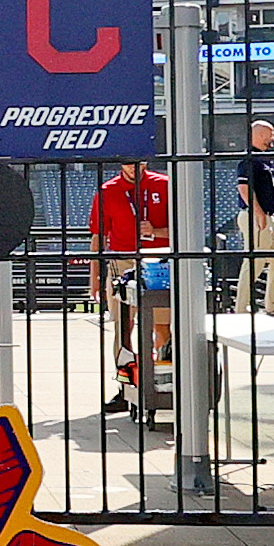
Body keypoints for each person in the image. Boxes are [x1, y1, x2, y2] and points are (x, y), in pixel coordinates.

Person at [89, 153, 173, 415]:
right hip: (122, 262)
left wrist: (155, 232)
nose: (133, 168)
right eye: (128, 163)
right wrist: (94, 278)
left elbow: (186, 228)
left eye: (138, 163)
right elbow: (98, 237)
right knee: (123, 328)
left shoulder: (165, 184)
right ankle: (127, 387)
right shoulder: (108, 191)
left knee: (162, 327)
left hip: (159, 262)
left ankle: (164, 381)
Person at [240, 118, 274, 317]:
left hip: (268, 216)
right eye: (271, 134)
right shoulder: (249, 159)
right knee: (255, 261)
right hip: (256, 216)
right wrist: (259, 214)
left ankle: (272, 305)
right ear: (260, 135)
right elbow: (244, 188)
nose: (273, 138)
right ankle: (241, 308)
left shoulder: (263, 159)